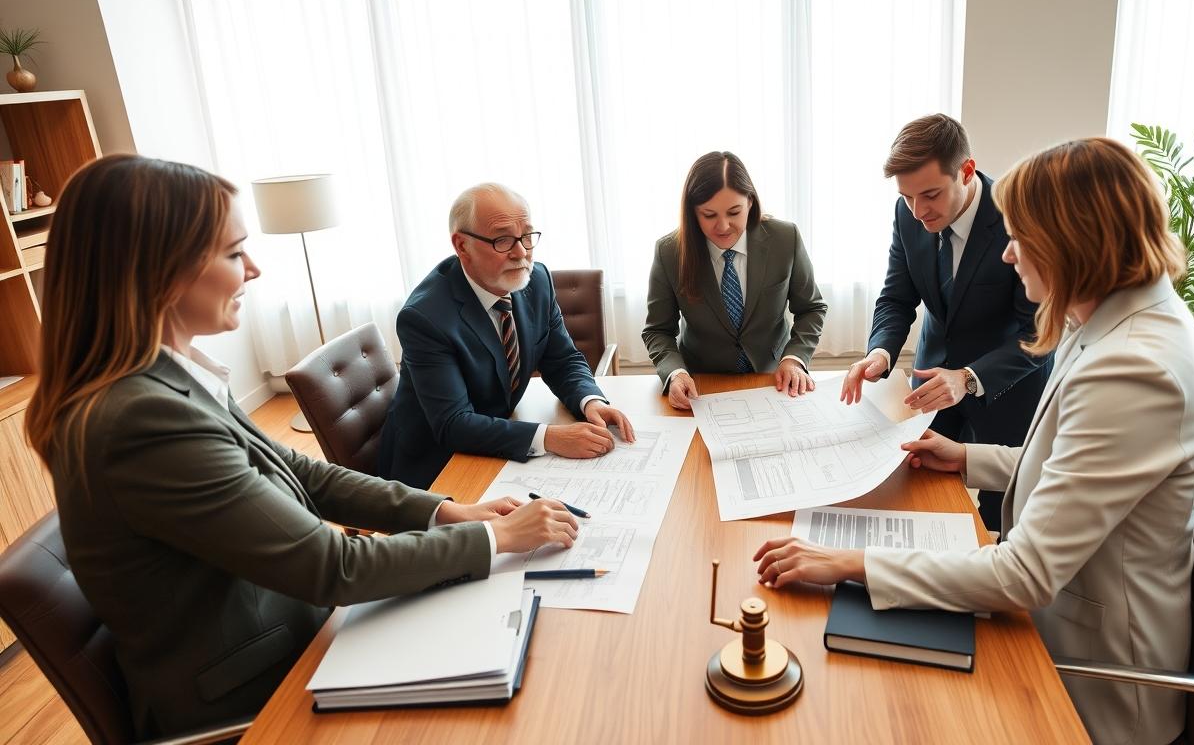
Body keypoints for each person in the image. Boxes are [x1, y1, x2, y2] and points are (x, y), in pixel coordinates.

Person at [24, 155, 579, 739]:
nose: (255, 270)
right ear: (159, 272)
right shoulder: (142, 416)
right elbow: (331, 567)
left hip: (295, 627)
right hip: (260, 692)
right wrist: (496, 537)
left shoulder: (171, 375)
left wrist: (446, 510)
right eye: (235, 252)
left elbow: (298, 471)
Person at [755, 137, 1194, 745]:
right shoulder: (1118, 318)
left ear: (1071, 241)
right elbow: (1066, 467)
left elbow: (1025, 574)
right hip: (1056, 614)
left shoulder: (1135, 367)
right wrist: (967, 458)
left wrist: (853, 565)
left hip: (1085, 672)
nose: (1007, 253)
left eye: (1021, 236)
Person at [841, 115, 1051, 530]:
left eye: (931, 195)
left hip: (1008, 393)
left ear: (966, 171)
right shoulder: (908, 214)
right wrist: (880, 353)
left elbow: (1038, 332)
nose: (919, 211)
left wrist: (969, 377)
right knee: (917, 497)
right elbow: (896, 297)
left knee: (1001, 520)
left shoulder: (1018, 215)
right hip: (932, 384)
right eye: (907, 197)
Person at [378, 183, 634, 488]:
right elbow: (453, 424)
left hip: (498, 440)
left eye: (527, 236)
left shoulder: (537, 280)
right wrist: (549, 437)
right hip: (437, 465)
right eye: (503, 240)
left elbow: (562, 360)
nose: (521, 252)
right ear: (462, 246)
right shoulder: (425, 318)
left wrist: (590, 401)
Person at [643, 151, 827, 409]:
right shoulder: (669, 252)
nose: (723, 226)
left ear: (750, 203)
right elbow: (658, 330)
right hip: (701, 386)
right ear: (693, 213)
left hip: (773, 380)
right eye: (709, 215)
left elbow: (811, 308)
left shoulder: (785, 239)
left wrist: (794, 358)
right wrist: (676, 374)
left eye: (734, 212)